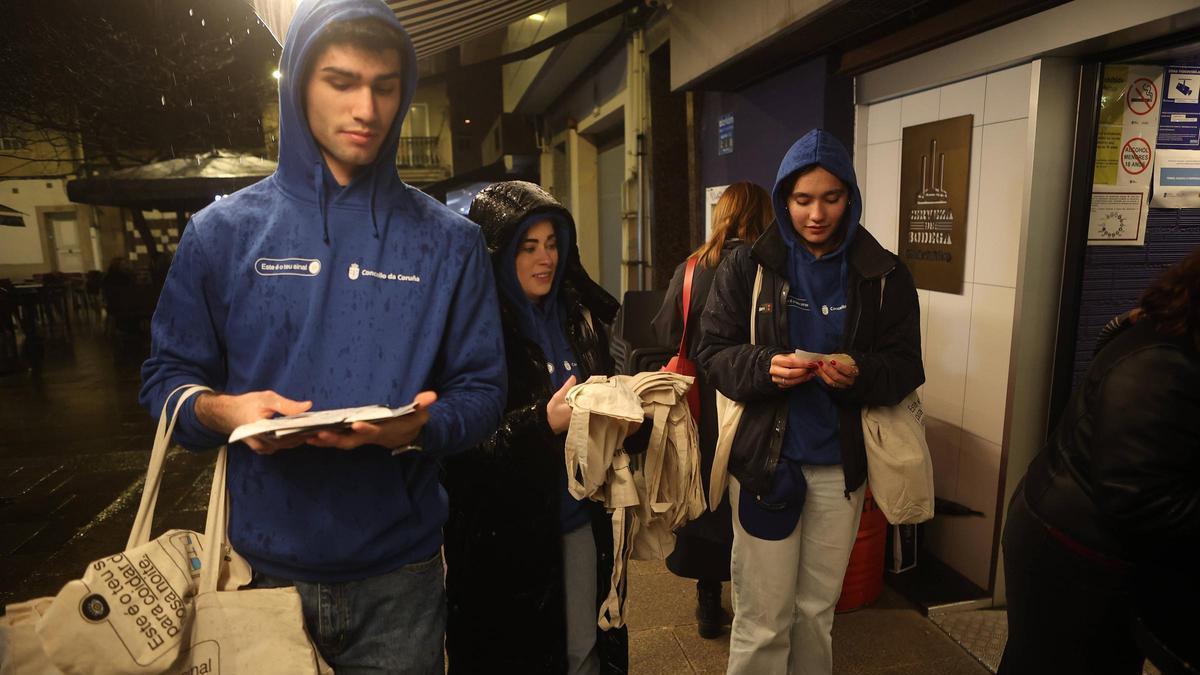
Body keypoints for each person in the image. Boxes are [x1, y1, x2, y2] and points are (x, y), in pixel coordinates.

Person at [138, 1, 507, 671]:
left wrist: (420, 427)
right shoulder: (221, 234)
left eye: (385, 86)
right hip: (258, 575)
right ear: (299, 84)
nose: (366, 108)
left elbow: (483, 391)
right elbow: (165, 382)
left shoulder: (451, 242)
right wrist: (227, 413)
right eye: (341, 82)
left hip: (401, 577)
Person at [697, 129, 924, 675]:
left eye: (830, 198)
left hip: (840, 468)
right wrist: (764, 366)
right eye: (802, 200)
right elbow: (713, 352)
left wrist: (860, 372)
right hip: (765, 466)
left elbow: (905, 367)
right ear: (783, 198)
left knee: (816, 612)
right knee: (762, 618)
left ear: (850, 197)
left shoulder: (884, 273)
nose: (816, 214)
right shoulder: (749, 265)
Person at [442, 181, 634, 675]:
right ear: (498, 253)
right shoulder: (470, 330)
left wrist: (633, 413)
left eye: (551, 244)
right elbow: (455, 450)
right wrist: (541, 423)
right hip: (505, 543)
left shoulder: (578, 316)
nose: (545, 258)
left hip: (580, 519)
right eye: (528, 247)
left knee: (586, 650)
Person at [998, 247, 1200, 675]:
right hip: (1072, 552)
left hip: (1082, 536)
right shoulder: (1160, 362)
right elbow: (1137, 497)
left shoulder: (1172, 338)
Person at [650, 181, 773, 639]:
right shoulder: (769, 267)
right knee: (751, 490)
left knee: (703, 489)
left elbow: (667, 331)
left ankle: (707, 599)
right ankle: (754, 601)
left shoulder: (692, 268)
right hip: (756, 398)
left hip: (701, 401)